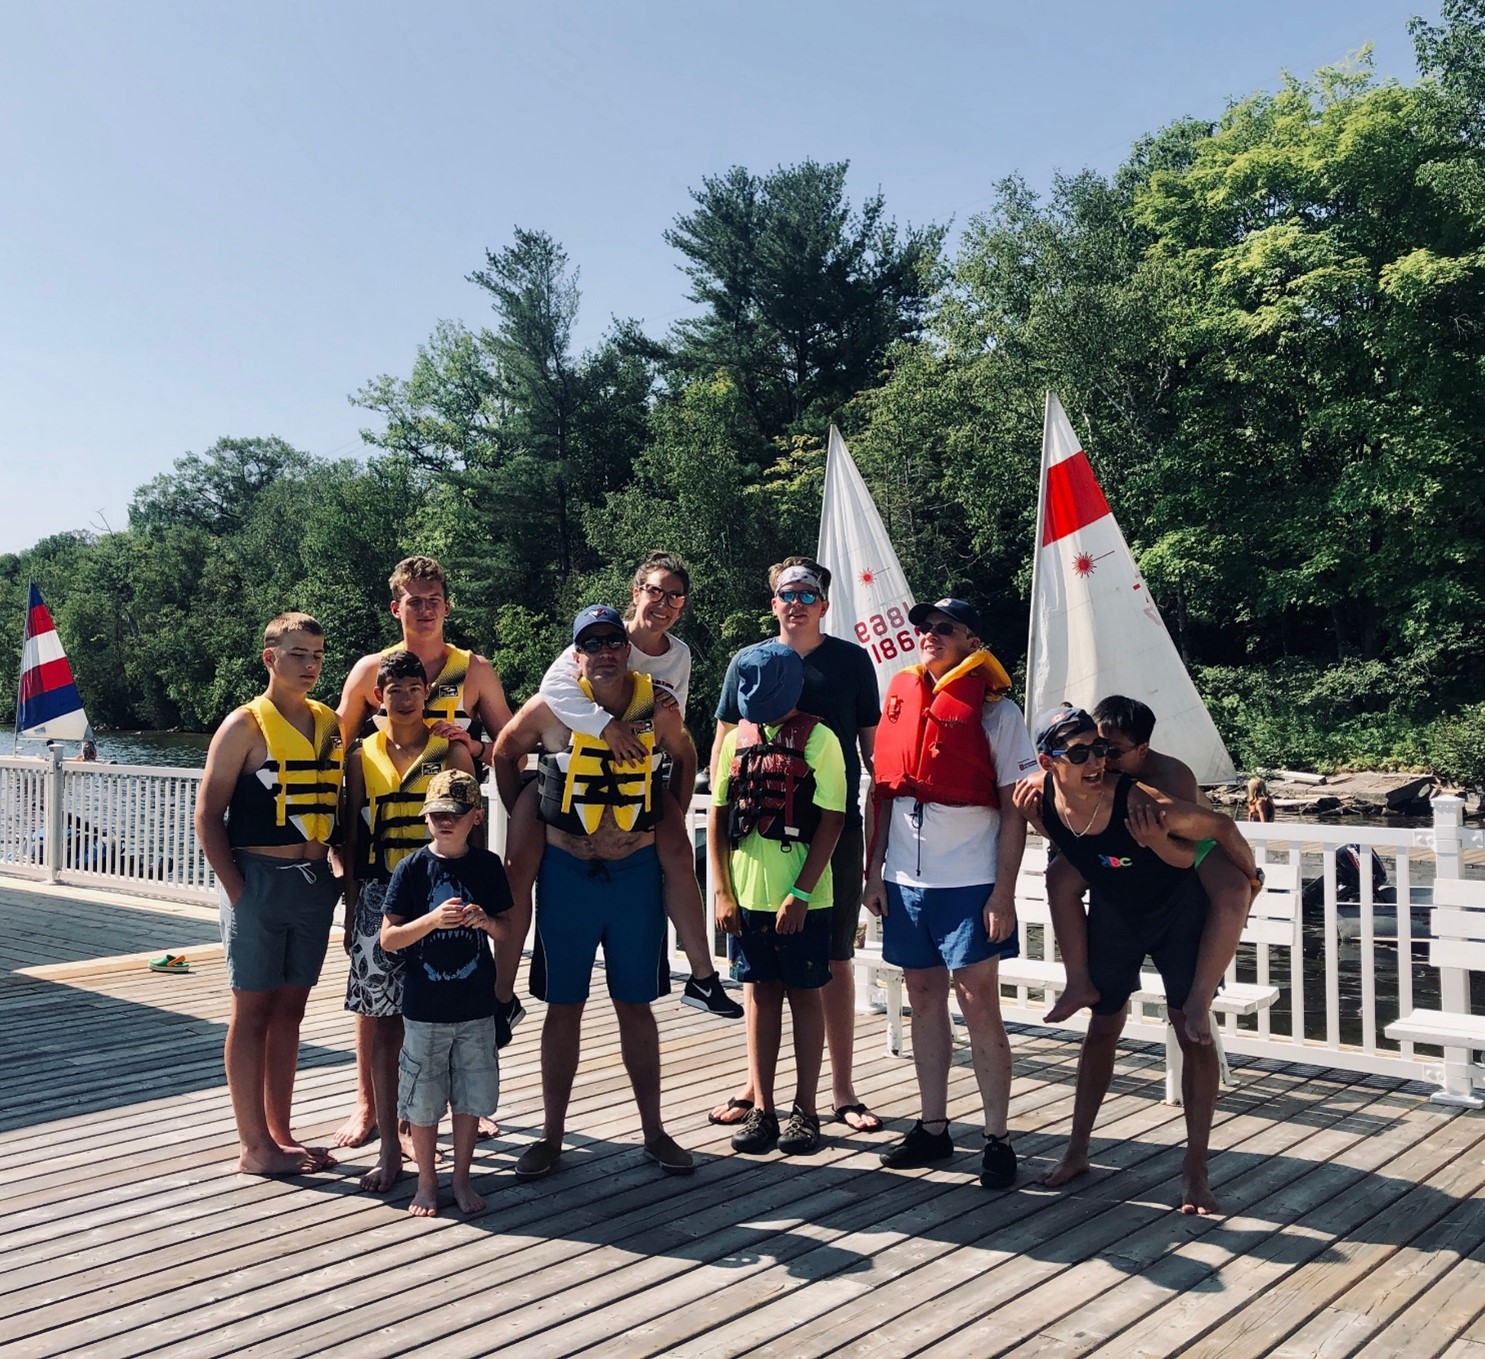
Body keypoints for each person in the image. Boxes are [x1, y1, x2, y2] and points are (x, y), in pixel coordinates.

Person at [1012, 706, 1262, 1215]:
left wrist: (1252, 877)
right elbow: (1069, 857)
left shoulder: (1148, 797)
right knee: (1103, 1025)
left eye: (1101, 750)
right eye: (1081, 753)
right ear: (1049, 761)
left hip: (1179, 912)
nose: (1096, 761)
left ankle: (1196, 1168)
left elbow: (1218, 826)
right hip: (1117, 913)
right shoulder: (1041, 798)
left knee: (1191, 1030)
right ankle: (1077, 1150)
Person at [493, 605, 695, 1179]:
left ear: (626, 649)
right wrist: (525, 810)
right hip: (568, 873)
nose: (605, 651)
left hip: (632, 875)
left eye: (613, 640)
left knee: (637, 1005)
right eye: (592, 643)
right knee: (565, 1005)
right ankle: (552, 1137)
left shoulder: (655, 705)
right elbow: (506, 751)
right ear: (576, 654)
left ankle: (655, 1132)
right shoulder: (552, 707)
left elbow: (684, 754)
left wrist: (668, 810)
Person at [334, 555, 514, 1148]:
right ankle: (370, 1106)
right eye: (413, 598)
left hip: (450, 858)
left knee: (458, 987)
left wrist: (474, 743)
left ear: (447, 604)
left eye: (434, 597)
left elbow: (508, 750)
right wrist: (344, 871)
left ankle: (468, 1104)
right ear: (396, 606)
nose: (425, 606)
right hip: (386, 869)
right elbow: (337, 753)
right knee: (377, 1002)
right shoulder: (371, 670)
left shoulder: (476, 670)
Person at [514, 550, 740, 1019]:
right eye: (655, 590)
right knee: (518, 872)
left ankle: (702, 977)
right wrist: (604, 727)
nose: (664, 602)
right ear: (636, 592)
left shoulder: (678, 655)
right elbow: (553, 689)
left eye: (675, 595)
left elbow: (673, 726)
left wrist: (673, 806)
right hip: (575, 788)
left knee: (678, 855)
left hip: (639, 789)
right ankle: (499, 994)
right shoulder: (605, 636)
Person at [863, 598, 1039, 1188]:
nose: (929, 636)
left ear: (972, 640)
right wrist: (872, 875)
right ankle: (933, 1126)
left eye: (944, 629)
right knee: (921, 995)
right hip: (905, 881)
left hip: (969, 879)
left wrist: (1003, 894)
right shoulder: (900, 699)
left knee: (978, 1000)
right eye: (924, 628)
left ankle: (996, 1136)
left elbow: (1016, 810)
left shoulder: (996, 711)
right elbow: (883, 793)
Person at [709, 557, 882, 1133]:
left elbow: (873, 757)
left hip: (832, 831)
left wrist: (881, 850)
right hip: (757, 839)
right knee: (759, 974)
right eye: (787, 593)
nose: (797, 602)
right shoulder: (747, 663)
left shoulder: (852, 662)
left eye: (808, 593)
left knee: (833, 958)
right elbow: (725, 751)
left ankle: (840, 1089)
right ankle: (759, 1092)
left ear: (825, 603)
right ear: (774, 601)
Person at [194, 612, 344, 1176]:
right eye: (298, 654)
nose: (310, 666)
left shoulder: (329, 722)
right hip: (258, 881)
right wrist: (238, 891)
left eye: (317, 655)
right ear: (270, 658)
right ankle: (253, 1146)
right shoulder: (244, 725)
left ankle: (281, 1135)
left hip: (312, 888)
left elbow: (340, 806)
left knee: (291, 1011)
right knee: (251, 1012)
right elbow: (207, 816)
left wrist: (338, 881)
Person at [340, 650, 478, 1192]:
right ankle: (391, 1144)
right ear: (379, 695)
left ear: (427, 693)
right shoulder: (360, 755)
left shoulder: (449, 752)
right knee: (382, 1020)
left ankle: (426, 1131)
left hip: (437, 891)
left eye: (413, 688)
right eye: (393, 689)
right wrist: (352, 902)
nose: (403, 697)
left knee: (437, 1017)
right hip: (379, 895)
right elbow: (351, 836)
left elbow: (472, 828)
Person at [1041, 695, 1255, 1044]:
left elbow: (1214, 832)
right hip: (1126, 851)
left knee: (1234, 891)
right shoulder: (1094, 774)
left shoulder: (1169, 778)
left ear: (1142, 749)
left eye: (1112, 751)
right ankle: (1077, 981)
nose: (1102, 760)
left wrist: (1253, 875)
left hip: (1193, 842)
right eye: (1096, 747)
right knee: (1059, 877)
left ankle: (1199, 999)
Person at [710, 642, 846, 1156]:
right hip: (746, 893)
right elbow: (720, 814)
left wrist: (802, 893)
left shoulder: (821, 739)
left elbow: (833, 818)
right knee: (759, 994)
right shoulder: (734, 742)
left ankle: (806, 1111)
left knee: (803, 995)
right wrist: (722, 890)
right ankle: (762, 1109)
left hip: (803, 897)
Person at [381, 770, 512, 1217]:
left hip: (476, 1006)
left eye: (455, 814)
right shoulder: (412, 868)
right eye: (436, 814)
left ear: (476, 816)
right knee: (422, 1100)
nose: (445, 821)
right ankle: (426, 1184)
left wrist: (486, 922)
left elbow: (509, 930)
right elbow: (388, 938)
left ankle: (461, 1180)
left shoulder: (488, 866)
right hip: (424, 1010)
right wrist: (432, 921)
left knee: (471, 1097)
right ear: (425, 818)